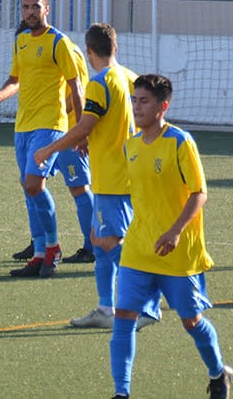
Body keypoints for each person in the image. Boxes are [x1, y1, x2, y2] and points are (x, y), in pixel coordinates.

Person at [109, 74, 233, 399]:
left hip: (177, 252)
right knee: (123, 316)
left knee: (191, 321)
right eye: (134, 100)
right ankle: (121, 393)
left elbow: (199, 193)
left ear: (163, 106)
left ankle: (218, 373)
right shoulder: (130, 145)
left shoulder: (180, 141)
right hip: (138, 248)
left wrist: (176, 231)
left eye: (144, 101)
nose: (137, 107)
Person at [34, 23, 145, 328]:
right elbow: (115, 122)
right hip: (127, 172)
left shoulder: (99, 83)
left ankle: (146, 302)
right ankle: (105, 307)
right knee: (98, 240)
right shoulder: (130, 77)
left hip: (112, 176)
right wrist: (91, 139)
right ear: (116, 47)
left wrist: (48, 150)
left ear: (89, 51)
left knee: (111, 242)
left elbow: (85, 125)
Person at [0, 0, 83, 278]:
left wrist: (81, 130)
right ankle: (39, 253)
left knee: (34, 184)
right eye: (26, 7)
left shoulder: (60, 42)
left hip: (51, 124)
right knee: (28, 188)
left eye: (35, 6)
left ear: (47, 9)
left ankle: (53, 248)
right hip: (23, 126)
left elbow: (75, 86)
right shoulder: (21, 41)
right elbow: (16, 79)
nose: (30, 12)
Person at [14, 38, 96, 265]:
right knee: (31, 186)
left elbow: (78, 88)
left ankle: (91, 247)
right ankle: (38, 242)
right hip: (41, 130)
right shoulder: (28, 47)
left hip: (66, 131)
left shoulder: (66, 50)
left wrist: (55, 112)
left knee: (78, 188)